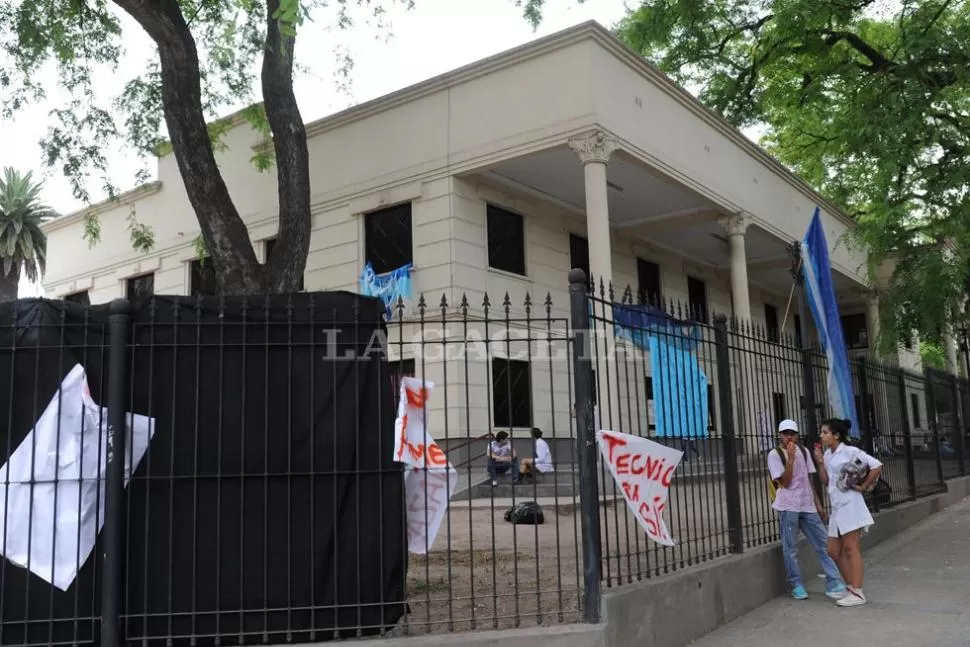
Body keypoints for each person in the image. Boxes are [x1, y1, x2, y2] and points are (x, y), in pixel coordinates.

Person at [767, 419, 846, 601]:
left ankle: (833, 581)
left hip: (807, 504)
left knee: (823, 543)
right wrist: (790, 460)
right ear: (780, 435)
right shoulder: (775, 454)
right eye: (785, 433)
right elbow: (784, 482)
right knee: (791, 547)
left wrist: (818, 504)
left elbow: (808, 480)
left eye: (792, 433)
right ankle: (796, 583)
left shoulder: (803, 451)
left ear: (797, 434)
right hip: (788, 506)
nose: (789, 437)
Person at [813, 418, 884, 607]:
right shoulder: (828, 455)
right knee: (833, 550)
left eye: (825, 432)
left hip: (850, 503)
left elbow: (876, 465)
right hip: (836, 505)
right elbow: (826, 480)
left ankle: (858, 591)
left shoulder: (850, 451)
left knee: (851, 548)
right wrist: (820, 462)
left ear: (836, 435)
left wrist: (864, 486)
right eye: (821, 432)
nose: (822, 435)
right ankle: (850, 587)